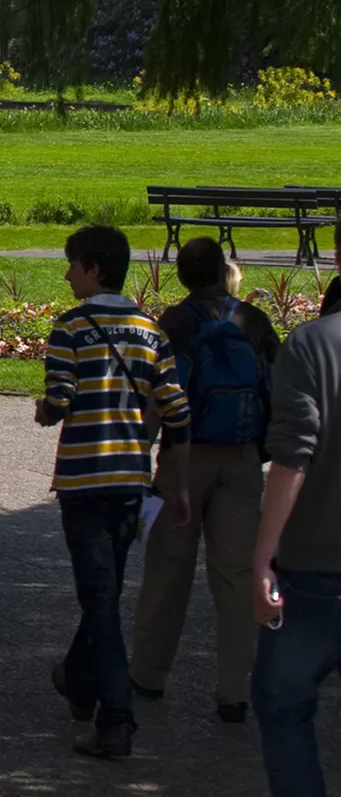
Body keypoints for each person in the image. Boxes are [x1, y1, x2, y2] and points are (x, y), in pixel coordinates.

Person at [37, 225, 192, 761]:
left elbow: (58, 399)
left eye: (72, 264)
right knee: (105, 595)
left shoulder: (70, 327)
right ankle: (78, 679)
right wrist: (180, 480)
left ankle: (116, 717)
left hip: (83, 479)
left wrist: (46, 409)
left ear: (95, 268)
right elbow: (176, 409)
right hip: (130, 477)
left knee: (98, 599)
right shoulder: (150, 329)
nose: (66, 273)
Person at [132, 237, 277, 724]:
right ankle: (234, 689)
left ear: (183, 276)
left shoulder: (174, 324)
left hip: (185, 458)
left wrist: (142, 453)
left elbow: (158, 395)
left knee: (169, 569)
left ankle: (149, 673)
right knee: (235, 575)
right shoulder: (254, 322)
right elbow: (274, 388)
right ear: (221, 272)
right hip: (241, 458)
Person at [251, 286, 341, 796]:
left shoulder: (311, 345)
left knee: (283, 702)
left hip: (312, 566)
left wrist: (264, 556)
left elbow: (291, 457)